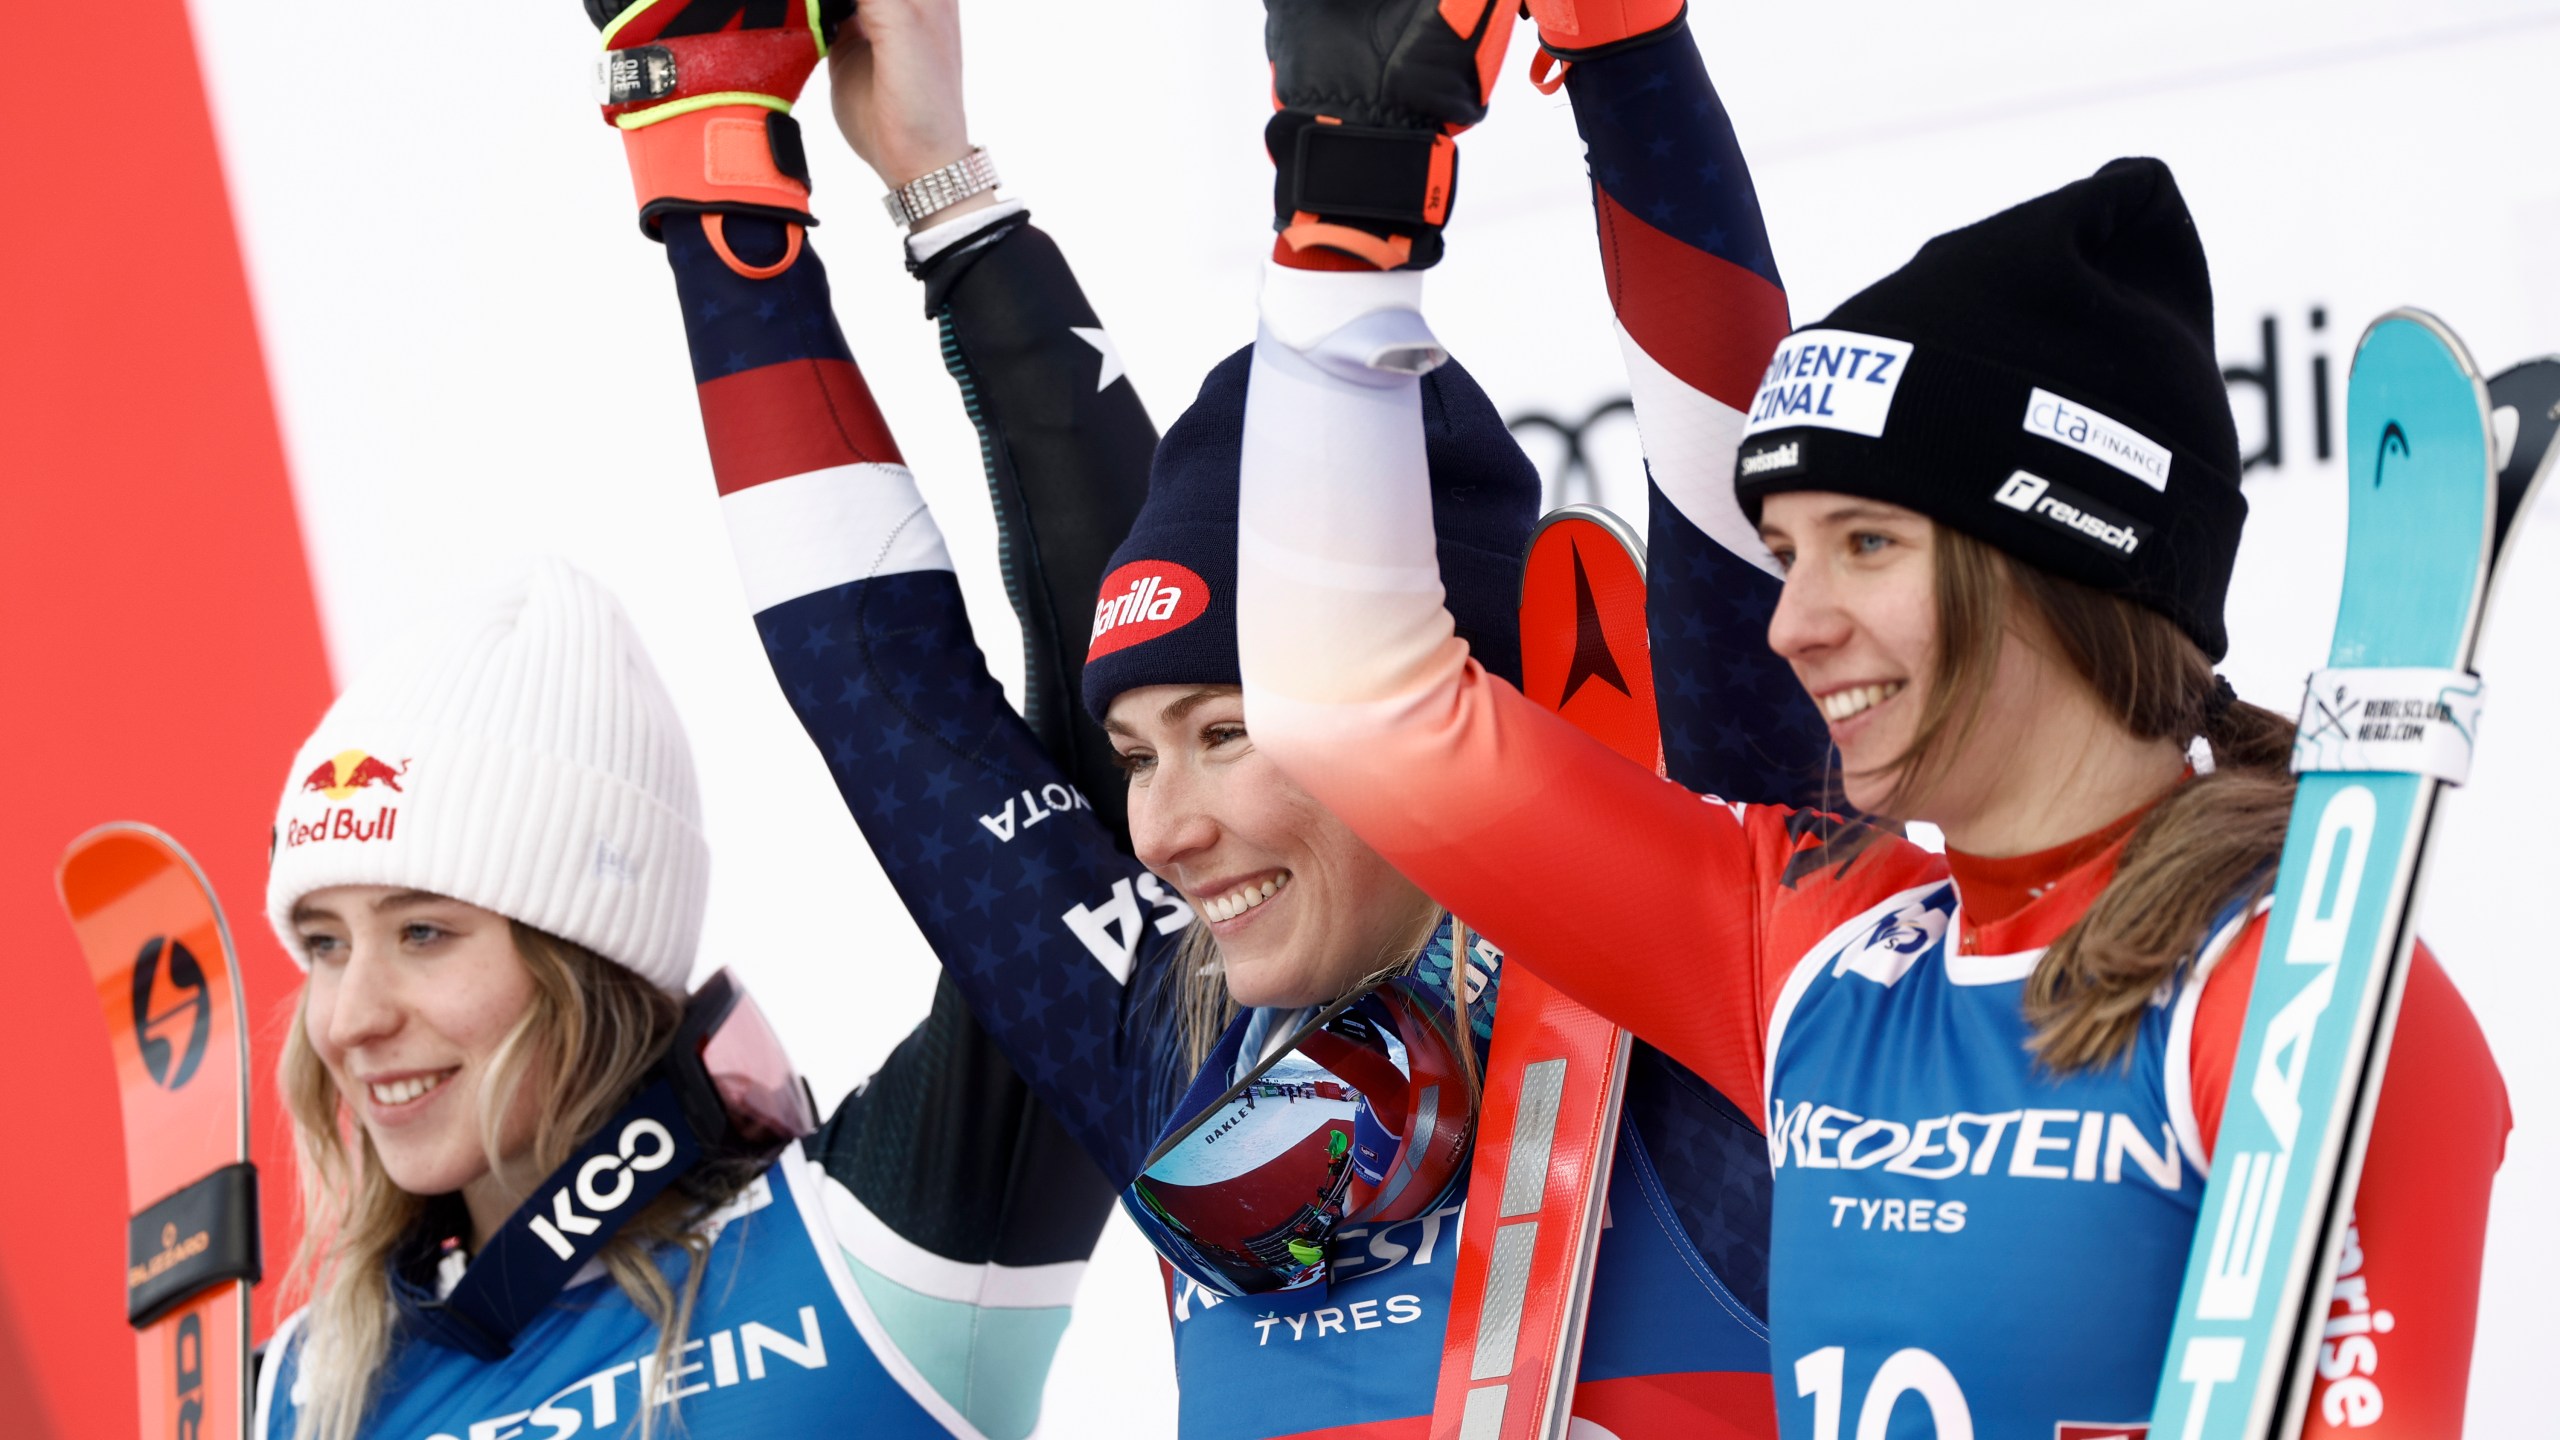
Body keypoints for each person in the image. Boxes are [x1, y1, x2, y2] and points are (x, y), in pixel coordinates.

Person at [1230, 36, 2511, 1436]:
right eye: (1786, 553)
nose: (1796, 623)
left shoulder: (2287, 994)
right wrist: (1342, 236)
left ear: (2057, 563)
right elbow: (1348, 709)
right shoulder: (1816, 946)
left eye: (1866, 543)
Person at [603, 0, 1818, 1432]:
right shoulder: (1177, 1048)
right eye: (1134, 754)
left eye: (1230, 733)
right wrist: (723, 162)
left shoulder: (1717, 975)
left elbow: (1736, 491)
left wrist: (1622, 47)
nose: (1166, 833)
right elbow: (876, 682)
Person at [249, 558, 1114, 1440]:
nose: (350, 1019)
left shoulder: (871, 1242)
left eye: (422, 933)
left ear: (585, 957)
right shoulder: (301, 1392)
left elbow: (1105, 765)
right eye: (325, 943)